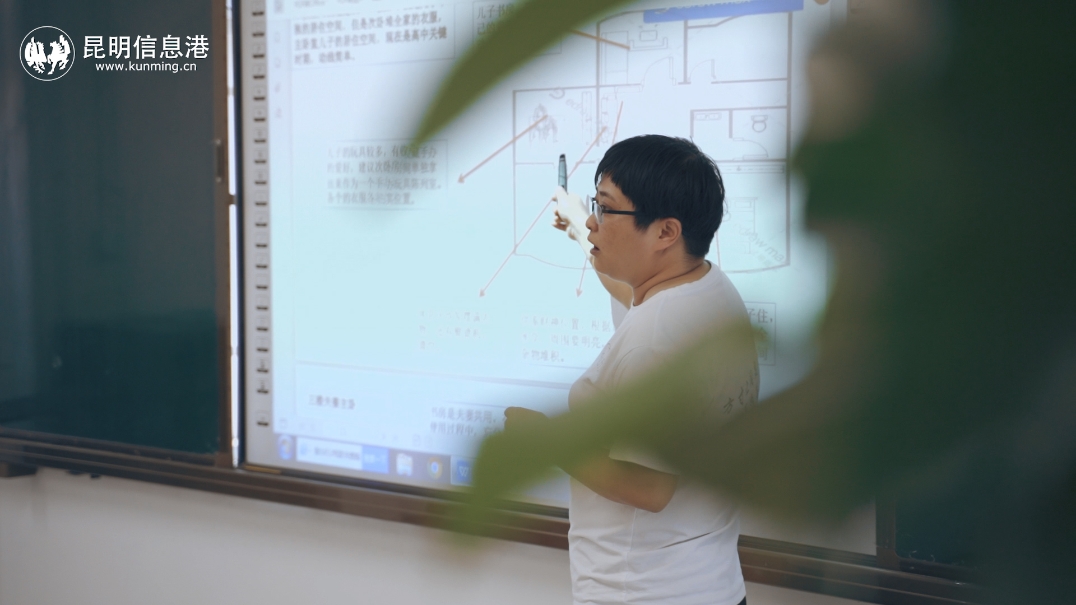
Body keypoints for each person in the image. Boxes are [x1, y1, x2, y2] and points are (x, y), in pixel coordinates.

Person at [505, 135, 759, 605]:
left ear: (665, 232)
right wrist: (581, 229)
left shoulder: (656, 338)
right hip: (710, 584)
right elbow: (633, 294)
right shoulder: (707, 288)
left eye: (605, 209)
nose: (594, 222)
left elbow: (650, 486)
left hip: (642, 592)